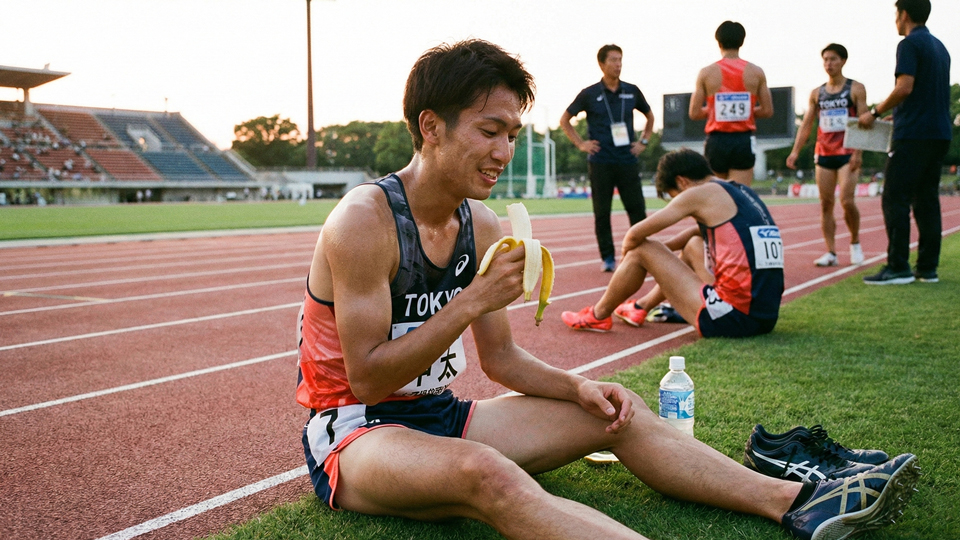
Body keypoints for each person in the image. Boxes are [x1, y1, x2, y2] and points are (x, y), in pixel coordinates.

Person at [295, 39, 919, 537]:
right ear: (430, 126)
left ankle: (799, 504)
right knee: (490, 476)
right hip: (355, 432)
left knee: (617, 407)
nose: (505, 150)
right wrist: (472, 302)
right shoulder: (364, 221)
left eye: (512, 133)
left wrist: (578, 386)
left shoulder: (478, 224)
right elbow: (371, 378)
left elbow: (502, 358)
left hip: (441, 417)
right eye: (490, 131)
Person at [561, 148, 784, 339]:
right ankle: (640, 307)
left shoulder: (699, 193)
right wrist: (663, 258)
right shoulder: (740, 191)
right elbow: (697, 232)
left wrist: (634, 259)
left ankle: (598, 315)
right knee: (692, 245)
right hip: (764, 317)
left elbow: (634, 235)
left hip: (732, 319)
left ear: (682, 181)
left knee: (642, 248)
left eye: (673, 195)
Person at [858, 0, 952, 285]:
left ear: (904, 14)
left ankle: (898, 267)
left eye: (896, 14)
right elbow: (924, 94)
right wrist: (897, 116)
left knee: (894, 198)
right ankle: (927, 268)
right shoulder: (940, 47)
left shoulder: (909, 45)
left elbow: (905, 87)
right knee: (926, 200)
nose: (895, 20)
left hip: (913, 135)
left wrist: (874, 113)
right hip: (938, 133)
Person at [560, 44, 654, 272]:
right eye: (613, 60)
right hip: (601, 161)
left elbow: (650, 116)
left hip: (627, 160)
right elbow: (565, 119)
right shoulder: (590, 93)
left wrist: (644, 141)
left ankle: (643, 254)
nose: (618, 64)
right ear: (601, 64)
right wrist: (581, 144)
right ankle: (608, 258)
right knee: (602, 212)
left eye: (620, 59)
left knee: (637, 209)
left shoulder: (631, 90)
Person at [787, 43, 868, 267]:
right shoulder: (817, 93)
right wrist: (795, 151)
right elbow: (806, 125)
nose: (828, 64)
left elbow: (863, 122)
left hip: (847, 152)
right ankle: (831, 252)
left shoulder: (855, 89)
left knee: (847, 201)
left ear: (843, 61)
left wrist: (858, 153)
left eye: (833, 59)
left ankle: (855, 242)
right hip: (823, 154)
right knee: (825, 204)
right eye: (825, 60)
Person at [689, 21, 774, 187]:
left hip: (717, 141)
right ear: (742, 42)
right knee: (740, 195)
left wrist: (714, 110)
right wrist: (747, 111)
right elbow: (767, 110)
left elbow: (694, 113)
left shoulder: (706, 73)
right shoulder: (756, 72)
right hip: (742, 140)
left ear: (718, 42)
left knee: (715, 196)